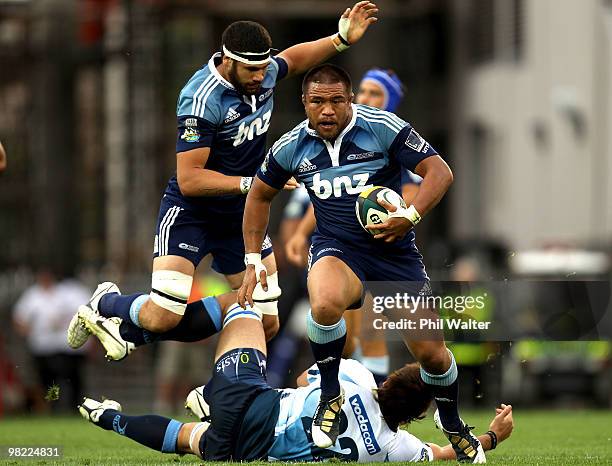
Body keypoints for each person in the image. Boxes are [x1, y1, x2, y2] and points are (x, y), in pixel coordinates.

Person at [67, 3, 379, 360]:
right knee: (164, 314)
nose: (261, 76)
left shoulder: (261, 72)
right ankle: (106, 300)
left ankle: (158, 355)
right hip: (192, 212)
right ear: (228, 60)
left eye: (264, 67)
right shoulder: (201, 99)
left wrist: (340, 39)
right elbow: (190, 180)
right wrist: (252, 183)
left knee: (264, 322)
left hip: (240, 215)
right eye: (252, 69)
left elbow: (293, 59)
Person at [237, 63, 484, 462]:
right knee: (324, 302)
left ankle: (453, 422)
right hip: (338, 249)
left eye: (337, 100)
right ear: (304, 104)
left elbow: (439, 171)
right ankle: (330, 395)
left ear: (349, 100)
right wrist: (252, 257)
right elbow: (258, 197)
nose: (328, 110)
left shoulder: (382, 127)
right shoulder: (290, 147)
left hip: (394, 254)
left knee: (433, 355)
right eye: (317, 102)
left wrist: (411, 215)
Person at [77, 290, 514, 462]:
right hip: (245, 448)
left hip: (247, 396)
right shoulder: (392, 447)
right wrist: (491, 438)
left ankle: (128, 327)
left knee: (244, 305)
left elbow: (306, 380)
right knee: (186, 441)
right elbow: (442, 455)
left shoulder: (357, 378)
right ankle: (106, 418)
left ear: (388, 380)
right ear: (418, 415)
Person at [284, 68, 417, 384]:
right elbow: (337, 202)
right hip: (343, 254)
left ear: (391, 103)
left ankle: (378, 412)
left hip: (384, 252)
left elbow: (414, 194)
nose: (370, 99)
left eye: (378, 94)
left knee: (375, 335)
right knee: (349, 341)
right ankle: (328, 396)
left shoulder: (393, 143)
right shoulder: (340, 142)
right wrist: (302, 233)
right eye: (366, 92)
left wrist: (404, 215)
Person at [13, 269, 90, 412]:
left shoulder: (67, 293)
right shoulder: (33, 295)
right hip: (43, 347)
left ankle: (75, 407)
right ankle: (51, 407)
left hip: (68, 347)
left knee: (72, 378)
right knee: (48, 380)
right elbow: (20, 318)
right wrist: (27, 332)